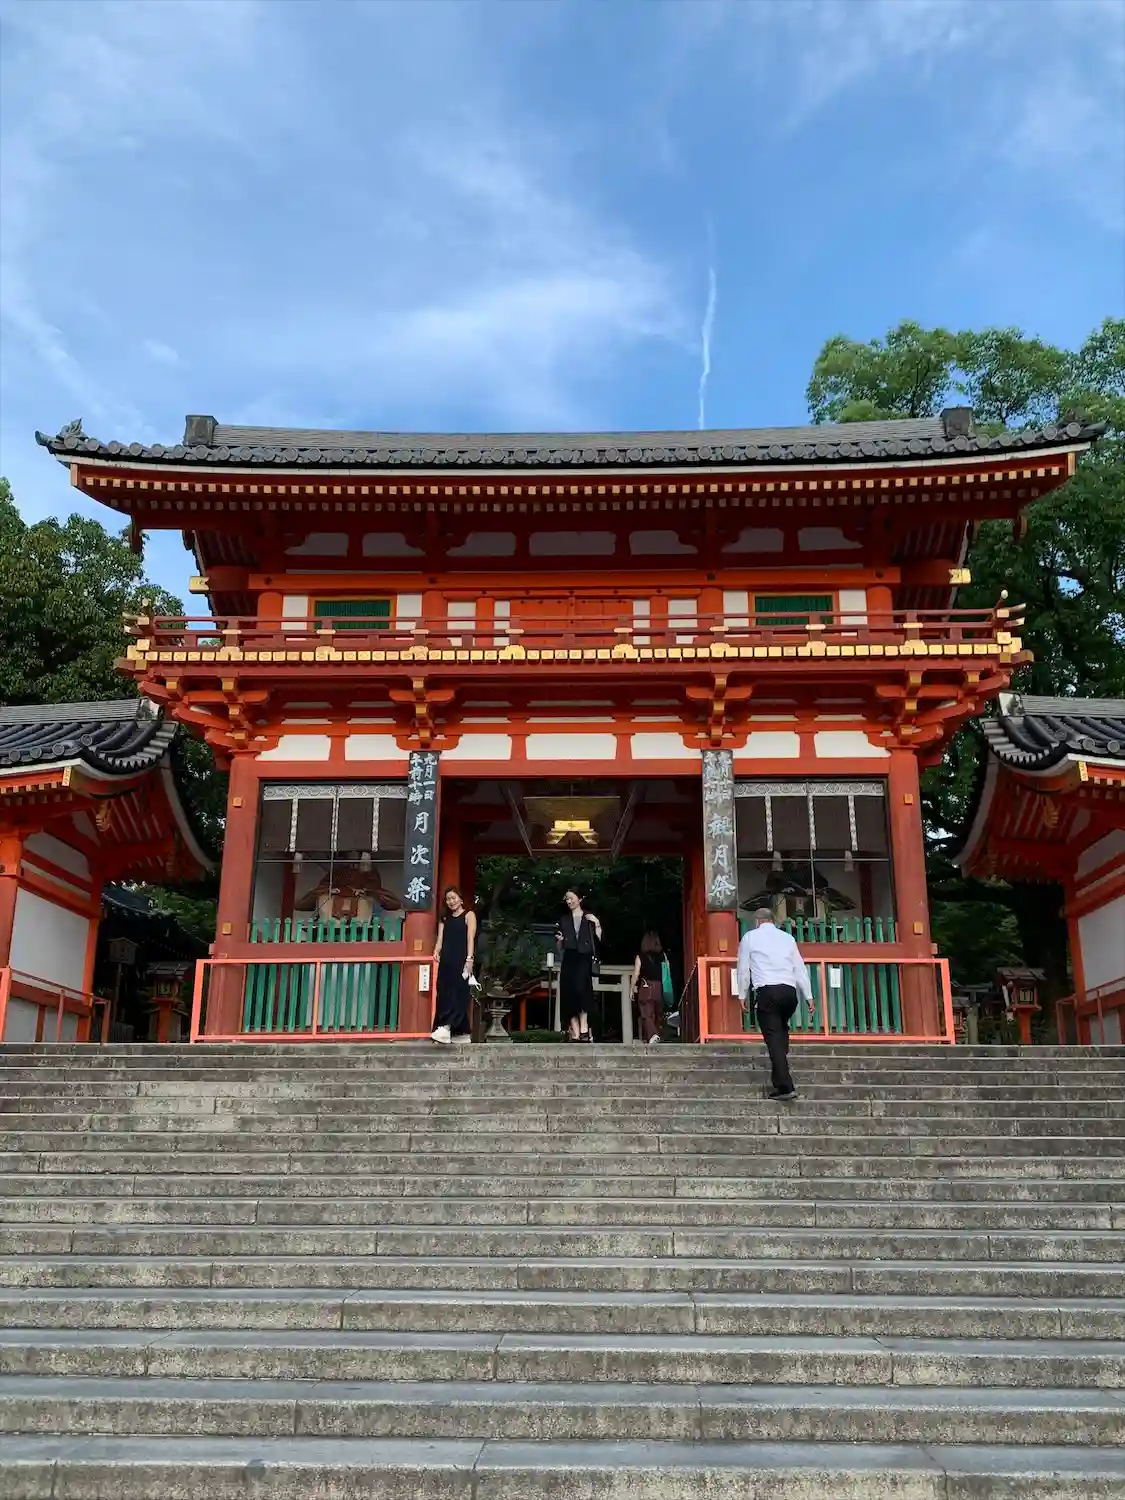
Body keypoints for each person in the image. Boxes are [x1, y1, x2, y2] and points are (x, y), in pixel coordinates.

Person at [735, 907, 811, 1100]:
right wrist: (809, 996)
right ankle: (779, 1074)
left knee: (773, 1037)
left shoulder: (750, 937)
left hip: (768, 992)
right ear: (773, 921)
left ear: (758, 921)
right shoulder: (788, 938)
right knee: (780, 1030)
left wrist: (742, 994)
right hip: (789, 993)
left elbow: (743, 969)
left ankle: (785, 1086)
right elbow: (800, 968)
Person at [431, 886, 477, 1045]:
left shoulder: (469, 915)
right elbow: (440, 938)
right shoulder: (445, 918)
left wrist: (469, 959)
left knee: (458, 994)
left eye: (453, 898)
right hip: (446, 960)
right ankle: (461, 1033)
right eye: (448, 899)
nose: (451, 901)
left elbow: (470, 938)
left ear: (461, 899)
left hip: (461, 960)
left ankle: (446, 1027)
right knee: (444, 992)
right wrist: (436, 951)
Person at [555, 889, 602, 1042]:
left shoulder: (589, 917)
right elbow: (560, 947)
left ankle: (584, 1027)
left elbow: (599, 940)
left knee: (582, 989)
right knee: (568, 992)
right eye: (567, 899)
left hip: (584, 956)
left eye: (571, 898)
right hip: (569, 957)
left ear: (580, 899)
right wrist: (560, 940)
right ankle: (575, 1031)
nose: (569, 901)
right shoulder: (564, 919)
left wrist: (597, 923)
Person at [632, 931, 665, 1045]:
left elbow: (636, 974)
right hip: (659, 987)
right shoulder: (662, 957)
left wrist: (632, 988)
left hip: (646, 986)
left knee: (646, 1012)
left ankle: (652, 1035)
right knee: (657, 1012)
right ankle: (657, 1034)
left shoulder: (640, 957)